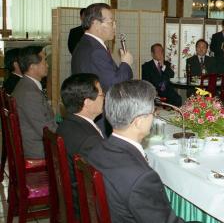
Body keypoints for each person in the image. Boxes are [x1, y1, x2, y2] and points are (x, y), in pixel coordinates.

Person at [86, 80, 185, 223]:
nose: (154, 116)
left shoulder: (97, 150)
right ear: (138, 122)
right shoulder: (142, 178)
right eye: (152, 113)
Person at [57, 73, 105, 217]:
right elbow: (108, 176)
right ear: (87, 102)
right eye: (102, 94)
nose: (104, 98)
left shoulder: (64, 125)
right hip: (87, 207)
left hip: (72, 197)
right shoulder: (88, 139)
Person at [71, 3, 133, 93]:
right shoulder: (96, 51)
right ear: (96, 24)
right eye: (111, 22)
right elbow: (114, 87)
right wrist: (126, 63)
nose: (115, 27)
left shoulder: (85, 43)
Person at [12, 46, 56, 159]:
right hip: (37, 149)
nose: (47, 64)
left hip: (32, 142)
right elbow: (46, 131)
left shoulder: (25, 84)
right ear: (32, 67)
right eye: (44, 61)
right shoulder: (30, 94)